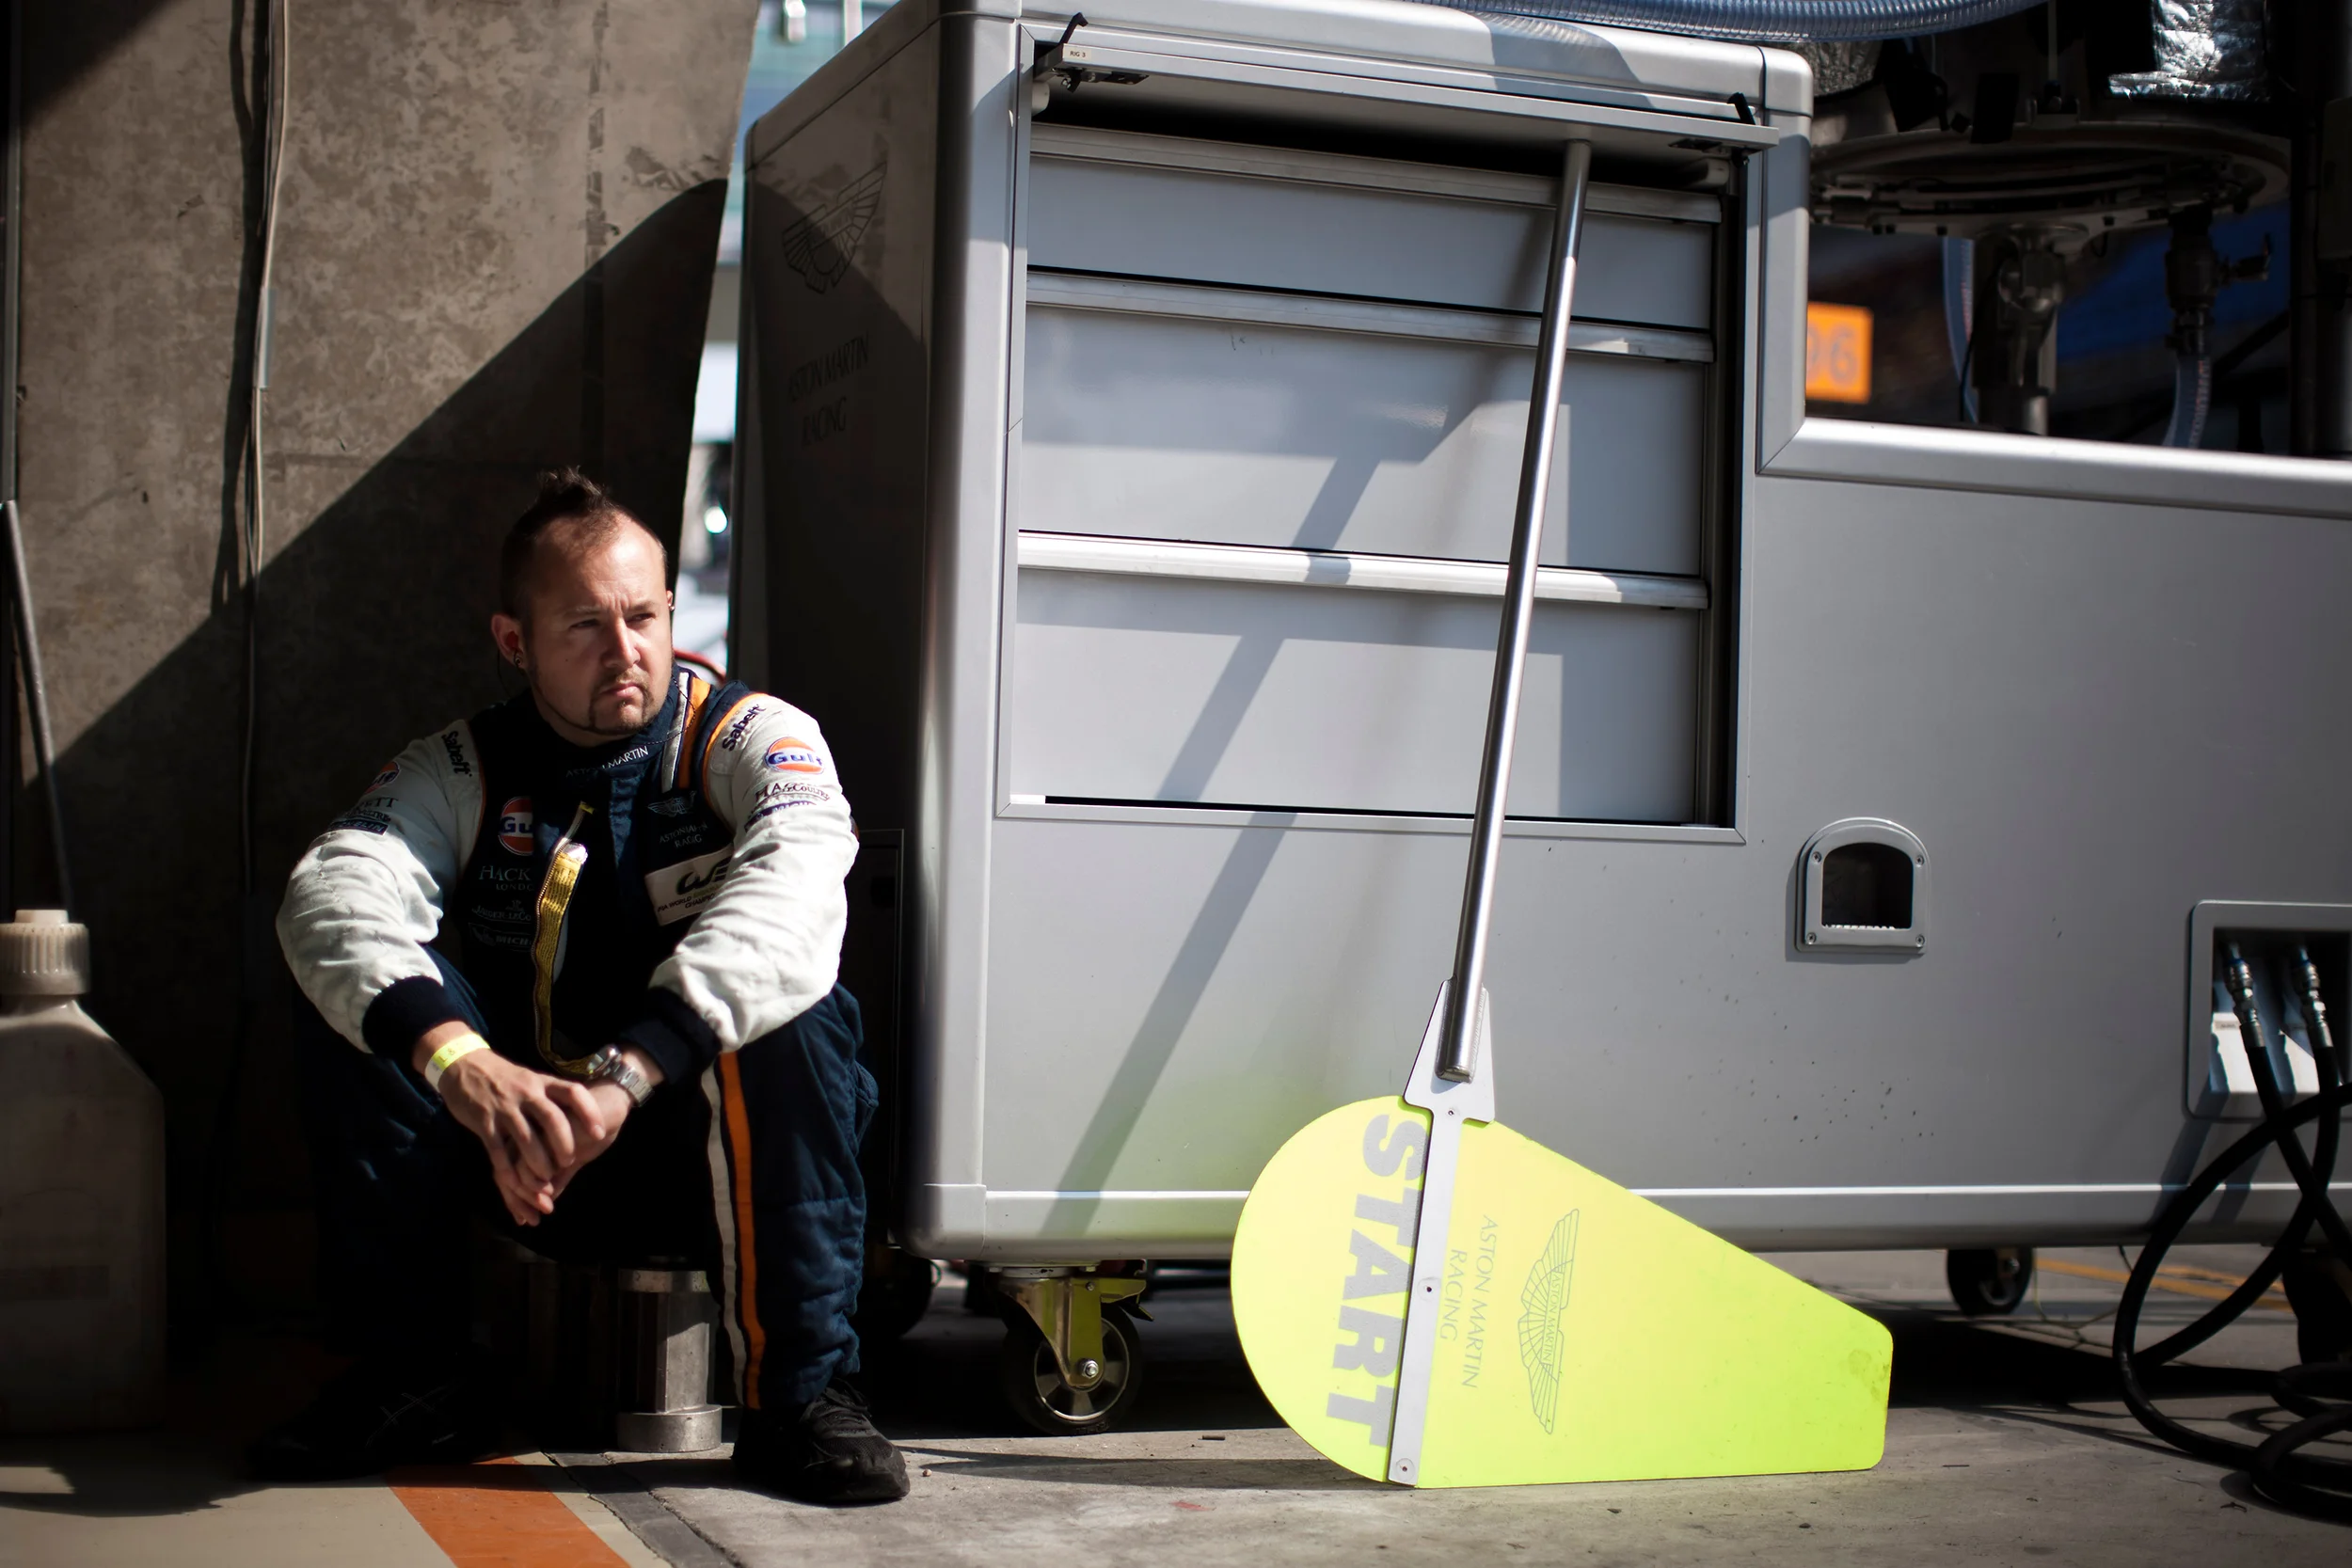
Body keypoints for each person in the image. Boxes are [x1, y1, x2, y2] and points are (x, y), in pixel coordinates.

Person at [252, 469, 907, 1505]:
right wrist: (460, 1064)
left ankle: (804, 1395)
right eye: (585, 626)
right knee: (354, 987)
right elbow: (332, 896)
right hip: (528, 1148)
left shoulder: (751, 736)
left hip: (711, 1156)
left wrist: (627, 1074)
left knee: (794, 999)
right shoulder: (461, 766)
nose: (626, 649)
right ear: (514, 642)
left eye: (643, 615)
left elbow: (792, 898)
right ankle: (418, 1376)